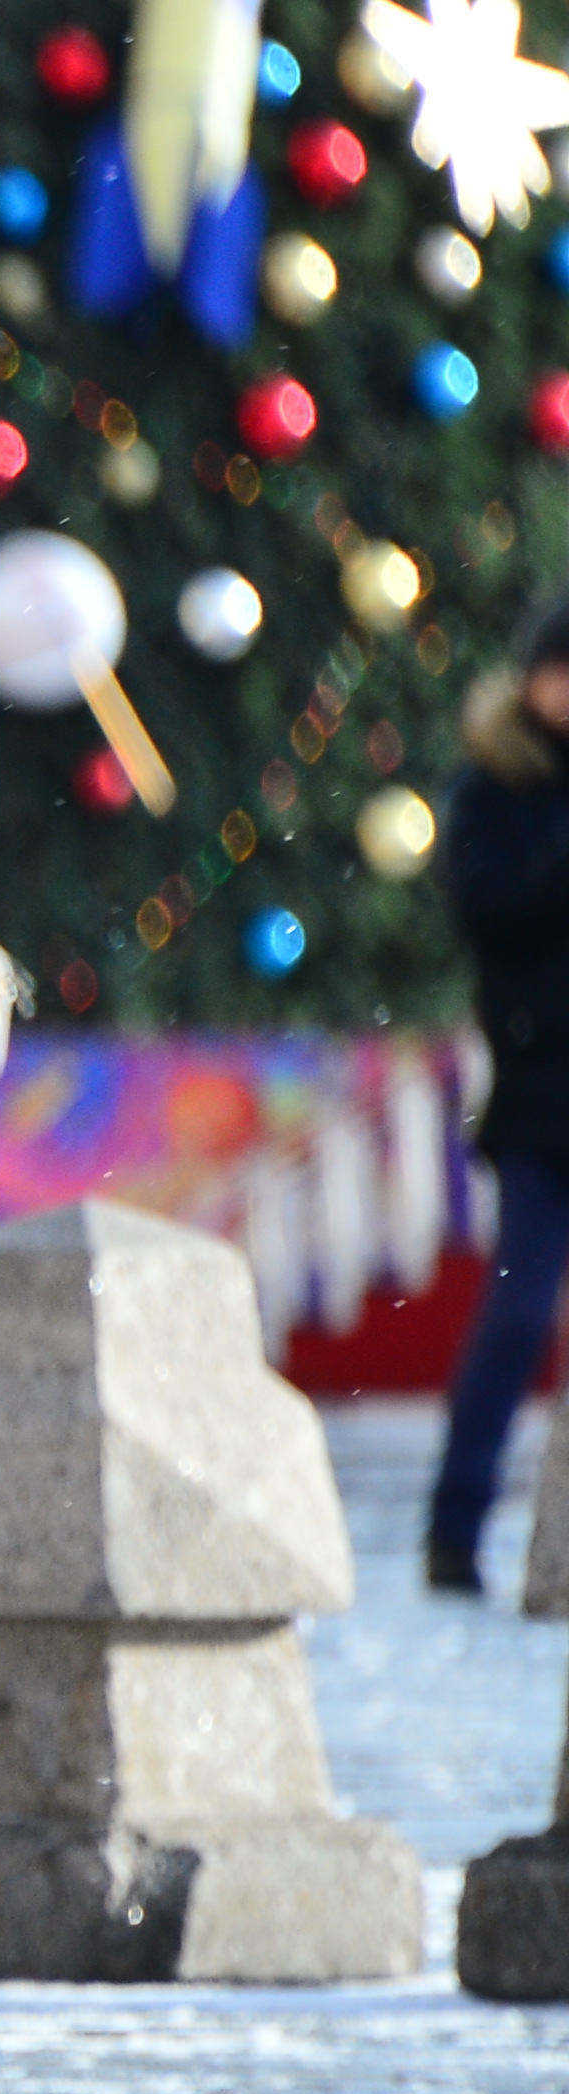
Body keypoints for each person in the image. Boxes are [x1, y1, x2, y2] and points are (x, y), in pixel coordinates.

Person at [432, 604, 569, 1594]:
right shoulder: (492, 786)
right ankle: (454, 1524)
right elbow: (487, 913)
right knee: (517, 1312)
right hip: (533, 1092)